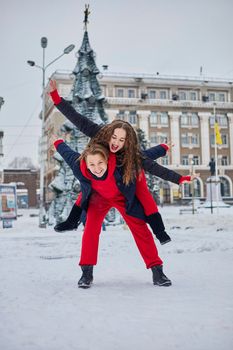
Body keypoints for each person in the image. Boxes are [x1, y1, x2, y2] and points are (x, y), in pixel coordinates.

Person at [49, 80, 192, 244]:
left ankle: (160, 233)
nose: (116, 143)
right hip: (103, 176)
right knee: (87, 189)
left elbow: (152, 164)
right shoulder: (99, 133)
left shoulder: (130, 154)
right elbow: (77, 119)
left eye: (121, 140)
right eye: (114, 137)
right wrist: (55, 97)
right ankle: (71, 221)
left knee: (145, 197)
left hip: (125, 178)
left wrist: (179, 178)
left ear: (127, 142)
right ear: (109, 133)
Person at [53, 138, 172, 288]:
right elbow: (66, 152)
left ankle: (157, 270)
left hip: (123, 196)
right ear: (86, 163)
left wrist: (163, 147)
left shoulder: (123, 164)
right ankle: (86, 272)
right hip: (98, 197)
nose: (96, 168)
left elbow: (144, 156)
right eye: (92, 164)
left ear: (107, 160)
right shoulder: (79, 165)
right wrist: (57, 141)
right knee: (90, 229)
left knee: (140, 229)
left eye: (100, 163)